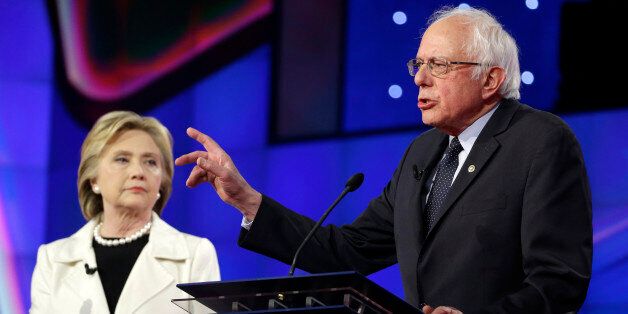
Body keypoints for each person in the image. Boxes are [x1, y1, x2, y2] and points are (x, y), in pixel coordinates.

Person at [175, 6, 592, 314]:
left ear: (491, 79)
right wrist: (248, 201)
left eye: (439, 65)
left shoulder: (540, 141)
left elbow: (559, 281)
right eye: (419, 63)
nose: (419, 78)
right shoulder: (424, 151)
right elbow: (348, 252)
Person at [30, 111, 220, 313]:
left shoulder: (194, 255)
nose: (138, 172)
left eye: (150, 162)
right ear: (94, 179)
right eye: (122, 159)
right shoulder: (53, 259)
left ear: (162, 182)